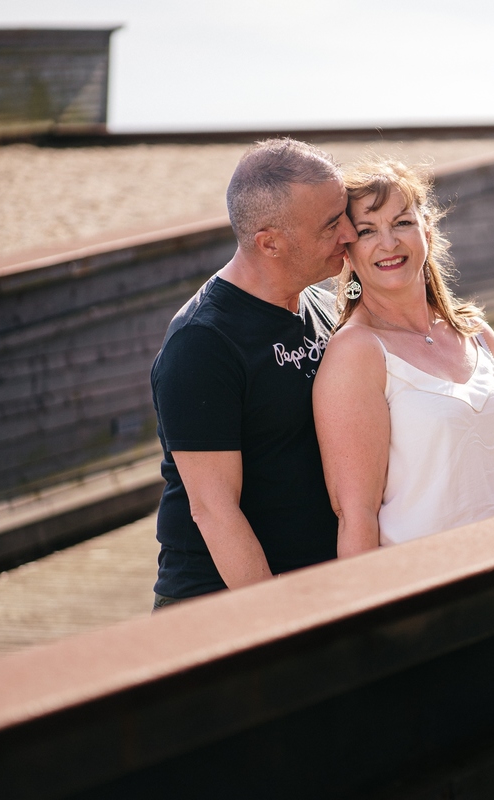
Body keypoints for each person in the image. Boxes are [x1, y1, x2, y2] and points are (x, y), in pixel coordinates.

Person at [150, 138, 357, 608]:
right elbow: (213, 509)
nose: (350, 232)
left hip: (317, 587)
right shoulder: (202, 344)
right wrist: (273, 624)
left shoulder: (321, 304)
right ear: (270, 242)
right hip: (221, 607)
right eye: (331, 224)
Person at [312, 160, 494, 555]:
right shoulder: (357, 352)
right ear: (346, 252)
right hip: (427, 589)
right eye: (367, 231)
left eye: (402, 223)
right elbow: (356, 515)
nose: (389, 243)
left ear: (427, 228)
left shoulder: (478, 335)